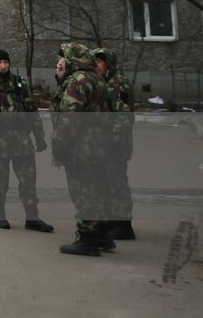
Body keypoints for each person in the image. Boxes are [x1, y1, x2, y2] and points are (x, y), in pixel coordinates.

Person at [0, 48, 53, 232]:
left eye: (5, 62)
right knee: (0, 179)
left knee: (28, 179)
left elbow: (31, 110)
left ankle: (32, 217)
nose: (3, 66)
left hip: (22, 138)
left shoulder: (19, 82)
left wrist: (39, 137)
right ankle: (0, 214)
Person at [52, 43, 115, 257]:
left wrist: (59, 146)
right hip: (99, 144)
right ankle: (103, 235)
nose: (59, 62)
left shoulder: (77, 81)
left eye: (62, 58)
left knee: (83, 191)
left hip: (81, 147)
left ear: (72, 60)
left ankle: (88, 240)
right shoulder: (97, 79)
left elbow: (69, 119)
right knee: (98, 189)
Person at [93, 47, 136, 241]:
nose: (96, 66)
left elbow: (124, 116)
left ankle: (123, 226)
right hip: (104, 142)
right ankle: (112, 221)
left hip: (115, 143)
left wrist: (115, 139)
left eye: (99, 63)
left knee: (117, 182)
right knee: (104, 181)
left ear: (108, 64)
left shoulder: (118, 84)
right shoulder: (104, 82)